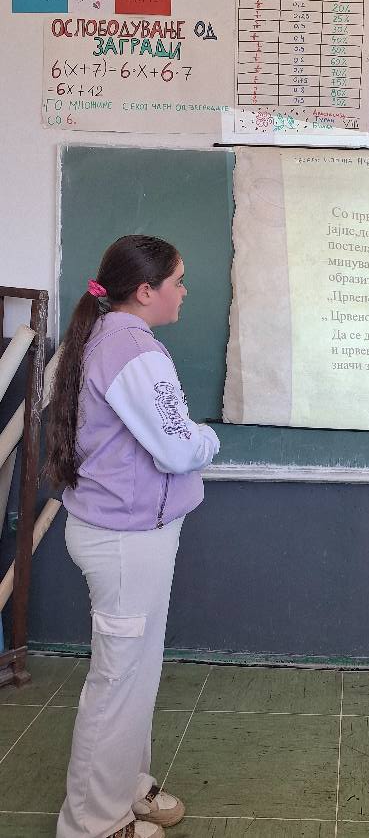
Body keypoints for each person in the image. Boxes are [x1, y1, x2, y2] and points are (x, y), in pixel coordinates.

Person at [45, 235, 220, 838]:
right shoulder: (134, 350)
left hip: (128, 534)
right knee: (118, 681)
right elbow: (177, 446)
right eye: (177, 281)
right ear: (146, 291)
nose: (184, 292)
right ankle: (92, 824)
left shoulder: (107, 337)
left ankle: (126, 786)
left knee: (136, 672)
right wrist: (208, 438)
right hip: (124, 541)